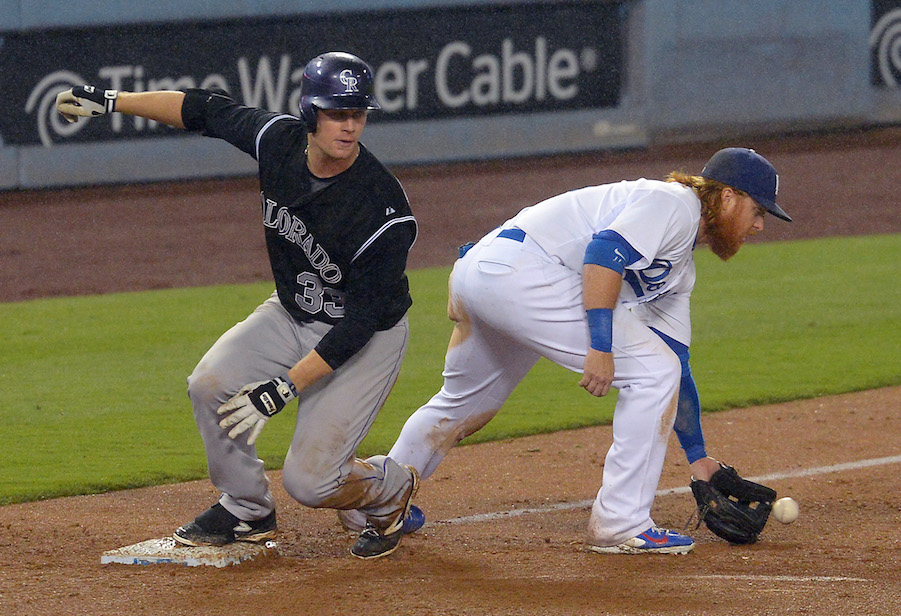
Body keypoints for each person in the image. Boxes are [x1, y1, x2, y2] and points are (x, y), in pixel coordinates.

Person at [56, 52, 423, 560]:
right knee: (210, 383)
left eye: (357, 113)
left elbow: (360, 322)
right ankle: (247, 507)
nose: (349, 125)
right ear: (309, 114)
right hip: (291, 311)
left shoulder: (381, 209)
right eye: (337, 113)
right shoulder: (278, 140)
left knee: (311, 482)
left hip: (367, 340)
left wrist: (284, 386)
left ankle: (389, 486)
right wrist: (116, 100)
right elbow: (202, 108)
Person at [351, 147, 792, 554]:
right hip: (522, 273)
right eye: (758, 211)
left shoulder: (679, 270)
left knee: (467, 404)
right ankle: (622, 521)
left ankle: (376, 498)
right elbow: (604, 253)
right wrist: (601, 345)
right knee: (652, 370)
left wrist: (700, 462)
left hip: (488, 272)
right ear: (729, 197)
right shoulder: (676, 204)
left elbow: (678, 364)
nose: (758, 226)